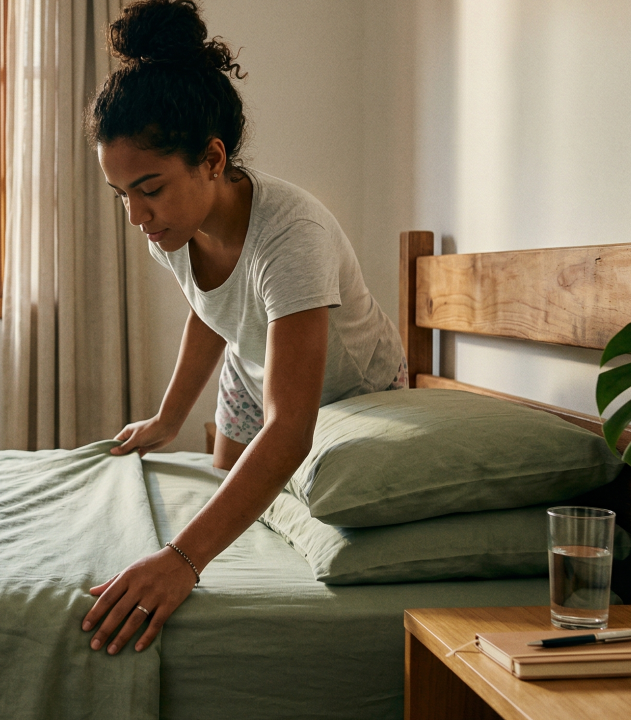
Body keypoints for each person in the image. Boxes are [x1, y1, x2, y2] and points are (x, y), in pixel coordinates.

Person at [80, 0, 407, 656]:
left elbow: (291, 427)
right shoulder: (169, 229)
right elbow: (212, 315)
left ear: (211, 157)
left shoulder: (292, 237)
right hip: (249, 365)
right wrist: (167, 419)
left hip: (351, 389)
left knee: (276, 502)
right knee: (232, 497)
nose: (137, 217)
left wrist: (181, 562)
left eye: (149, 188)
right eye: (123, 197)